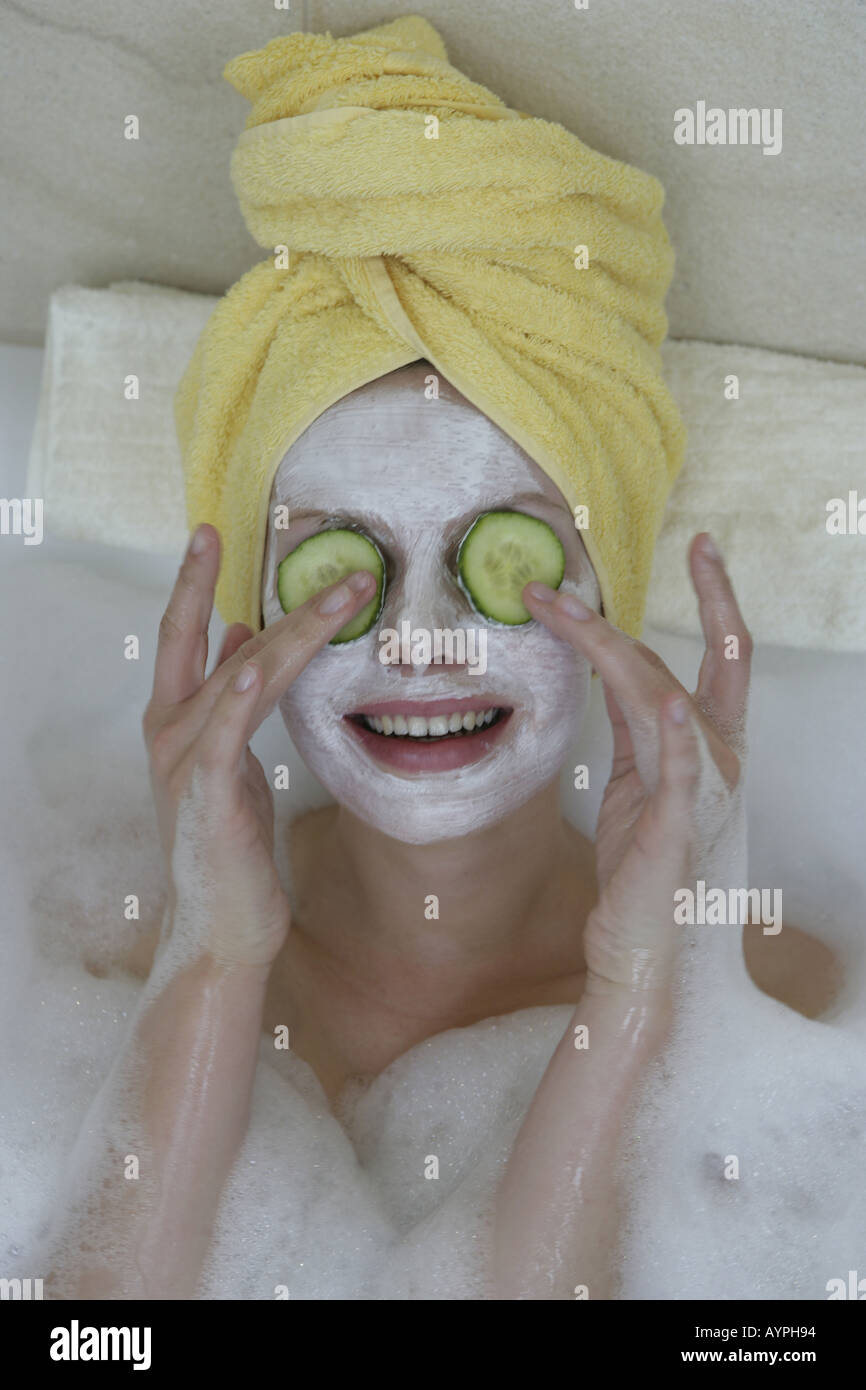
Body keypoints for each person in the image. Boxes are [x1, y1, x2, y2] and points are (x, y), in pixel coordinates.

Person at [44, 362, 836, 1301]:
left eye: (504, 562)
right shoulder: (97, 961)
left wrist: (640, 993)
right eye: (341, 570)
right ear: (252, 627)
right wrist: (212, 960)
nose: (420, 640)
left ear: (609, 598)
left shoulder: (780, 1007)